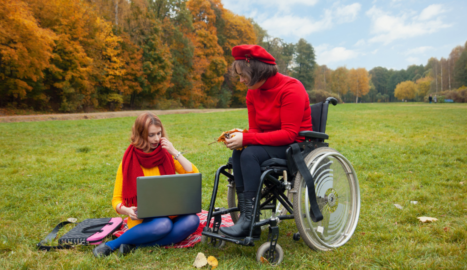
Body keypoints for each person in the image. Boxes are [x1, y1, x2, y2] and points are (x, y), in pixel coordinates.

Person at [220, 45, 313, 238]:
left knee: (249, 153)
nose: (241, 80)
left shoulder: (291, 88)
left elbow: (288, 134)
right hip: (271, 143)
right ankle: (249, 220)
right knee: (239, 151)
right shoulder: (252, 92)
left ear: (258, 71)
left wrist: (247, 138)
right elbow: (255, 131)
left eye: (243, 75)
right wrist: (242, 138)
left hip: (294, 146)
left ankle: (248, 219)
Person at [93, 112, 200, 257]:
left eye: (159, 133)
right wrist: (126, 210)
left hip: (171, 213)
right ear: (140, 135)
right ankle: (111, 245)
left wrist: (174, 151)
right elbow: (116, 199)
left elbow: (192, 173)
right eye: (151, 135)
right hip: (144, 220)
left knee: (193, 220)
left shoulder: (166, 155)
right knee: (163, 225)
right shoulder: (128, 162)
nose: (157, 139)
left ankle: (135, 246)